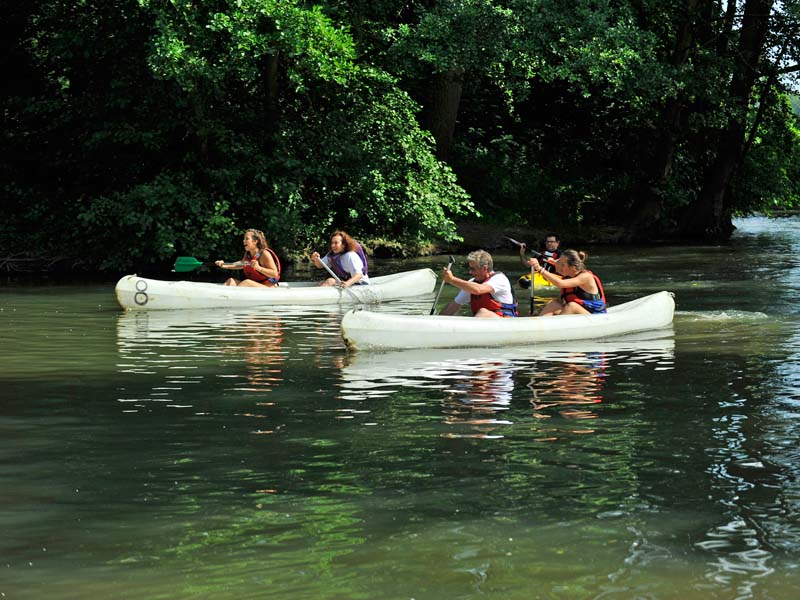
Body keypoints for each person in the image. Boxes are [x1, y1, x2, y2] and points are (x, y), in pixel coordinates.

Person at [440, 250, 518, 318]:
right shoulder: (472, 284)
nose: (470, 272)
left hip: (506, 321)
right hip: (484, 324)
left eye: (473, 269)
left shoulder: (499, 279)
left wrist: (452, 280)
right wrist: (437, 320)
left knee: (483, 312)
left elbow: (478, 289)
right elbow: (454, 306)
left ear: (484, 269)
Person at [527, 249, 606, 316]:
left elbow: (560, 283)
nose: (559, 266)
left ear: (573, 267)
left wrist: (540, 269)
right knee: (554, 303)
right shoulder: (568, 276)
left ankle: (555, 330)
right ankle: (538, 323)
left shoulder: (585, 277)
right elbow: (561, 300)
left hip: (594, 315)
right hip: (580, 315)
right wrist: (539, 311)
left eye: (562, 264)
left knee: (572, 306)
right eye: (559, 262)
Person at [215, 229, 281, 287]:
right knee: (231, 281)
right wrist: (224, 265)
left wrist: (258, 268)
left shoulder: (264, 254)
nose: (244, 241)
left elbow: (275, 274)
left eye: (247, 239)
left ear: (255, 241)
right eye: (244, 239)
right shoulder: (248, 254)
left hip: (269, 287)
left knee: (247, 283)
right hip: (256, 285)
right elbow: (241, 264)